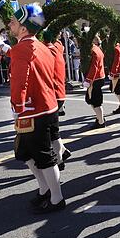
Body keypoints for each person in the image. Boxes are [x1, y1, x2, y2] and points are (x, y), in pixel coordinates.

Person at [0, 0, 65, 214]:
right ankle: (45, 190)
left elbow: (19, 80)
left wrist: (17, 105)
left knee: (42, 156)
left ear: (24, 28)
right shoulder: (38, 45)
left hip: (34, 111)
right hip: (46, 107)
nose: (10, 25)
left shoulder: (24, 48)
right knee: (27, 154)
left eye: (13, 22)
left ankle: (56, 197)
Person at [42, 29, 71, 169]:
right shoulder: (57, 48)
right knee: (53, 129)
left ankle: (59, 159)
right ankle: (62, 152)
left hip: (52, 94)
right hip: (58, 92)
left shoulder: (47, 52)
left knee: (51, 131)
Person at [85, 35, 106, 129]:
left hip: (95, 79)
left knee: (95, 101)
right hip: (99, 77)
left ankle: (101, 122)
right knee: (92, 100)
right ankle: (100, 118)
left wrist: (88, 80)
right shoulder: (97, 48)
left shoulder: (94, 50)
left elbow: (94, 67)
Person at [109, 41, 120, 114]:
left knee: (117, 89)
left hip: (117, 71)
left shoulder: (116, 48)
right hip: (119, 70)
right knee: (116, 89)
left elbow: (116, 61)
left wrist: (113, 73)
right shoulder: (119, 46)